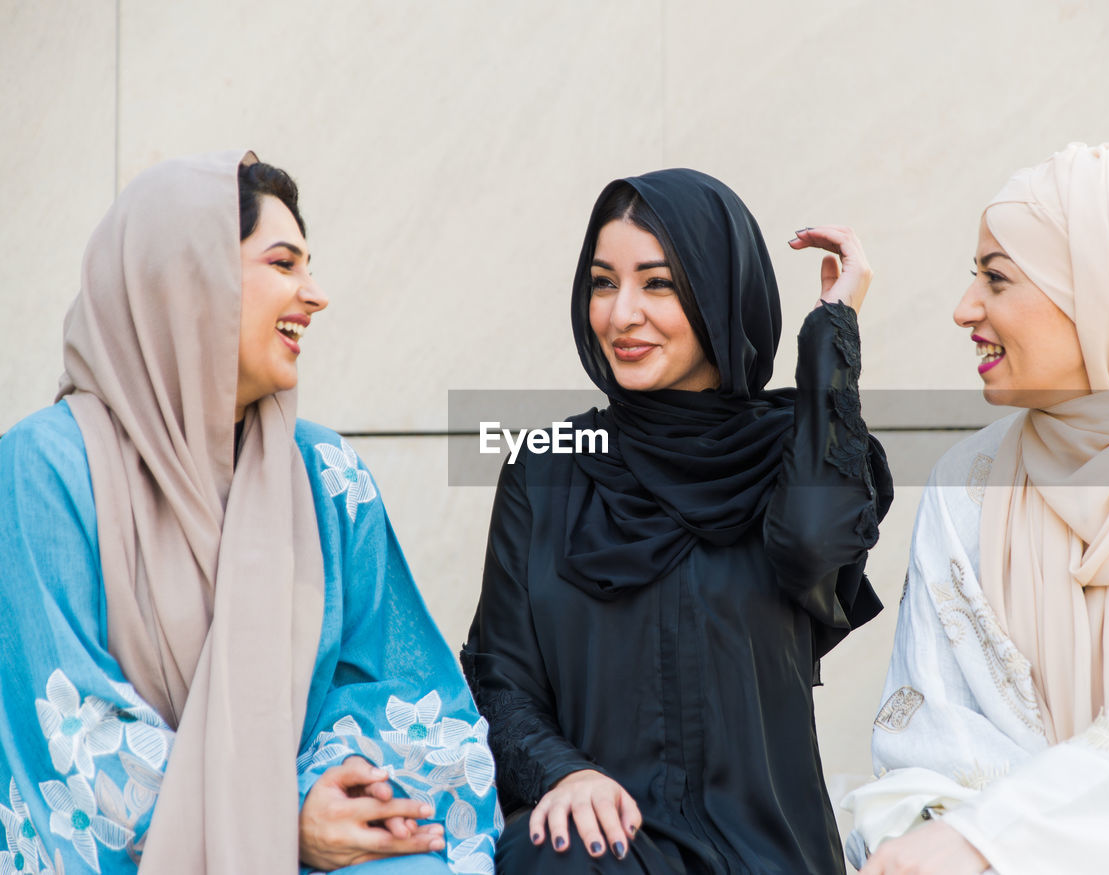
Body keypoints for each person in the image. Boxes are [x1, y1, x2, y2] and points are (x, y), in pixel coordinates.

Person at [0, 151, 500, 874]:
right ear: (189, 280)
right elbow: (73, 741)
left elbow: (398, 689)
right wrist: (281, 819)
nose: (315, 294)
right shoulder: (44, 468)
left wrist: (329, 797)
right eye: (284, 263)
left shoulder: (326, 478)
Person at [844, 143, 1109, 874]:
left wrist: (999, 839)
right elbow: (928, 741)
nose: (964, 309)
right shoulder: (969, 481)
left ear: (1102, 292)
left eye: (997, 279)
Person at [462, 168, 893, 873]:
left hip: (764, 855)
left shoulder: (802, 453)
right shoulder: (547, 466)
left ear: (721, 293)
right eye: (603, 283)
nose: (621, 313)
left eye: (657, 283)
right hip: (597, 852)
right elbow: (501, 679)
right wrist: (565, 774)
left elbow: (814, 550)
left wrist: (831, 337)